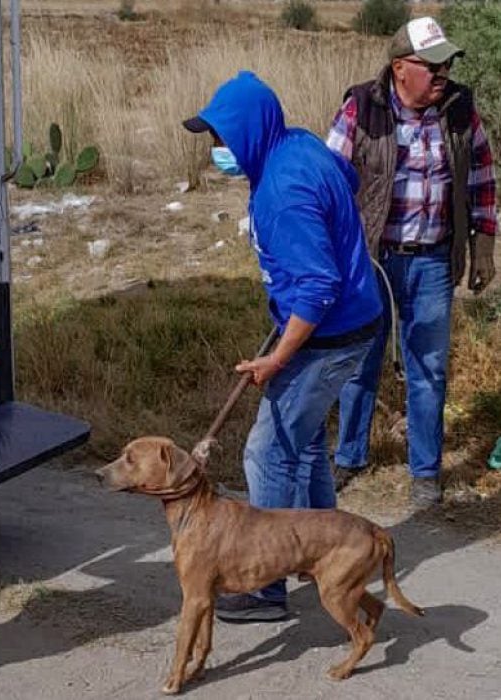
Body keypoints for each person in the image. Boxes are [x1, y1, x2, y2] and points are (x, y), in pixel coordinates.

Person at [182, 71, 383, 623]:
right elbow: (347, 181)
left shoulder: (283, 190)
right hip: (348, 324)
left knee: (267, 451)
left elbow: (318, 286)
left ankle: (264, 586)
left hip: (330, 334)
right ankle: (327, 549)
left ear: (249, 131)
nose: (218, 150)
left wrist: (277, 357)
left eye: (222, 138)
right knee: (308, 443)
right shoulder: (295, 146)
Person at [326, 16, 499, 510]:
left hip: (432, 260)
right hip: (371, 261)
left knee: (429, 368)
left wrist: (483, 242)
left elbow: (481, 177)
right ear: (401, 67)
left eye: (448, 62)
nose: (443, 72)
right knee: (360, 360)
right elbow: (330, 180)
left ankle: (425, 472)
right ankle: (350, 457)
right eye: (433, 64)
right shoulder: (361, 108)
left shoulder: (460, 110)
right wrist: (334, 255)